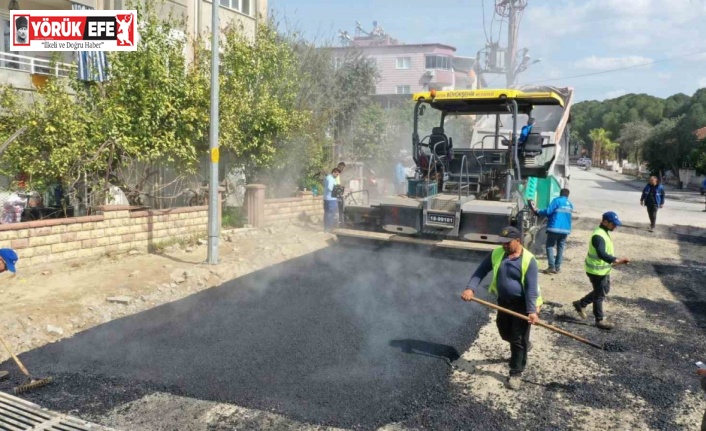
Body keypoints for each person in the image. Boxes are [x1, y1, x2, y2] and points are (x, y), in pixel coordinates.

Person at [461, 226, 542, 391]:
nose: (503, 246)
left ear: (518, 241)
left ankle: (516, 372)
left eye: (507, 243)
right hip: (504, 302)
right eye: (502, 243)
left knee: (518, 339)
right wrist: (470, 288)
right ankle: (524, 346)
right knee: (504, 331)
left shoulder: (529, 260)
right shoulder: (497, 253)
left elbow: (532, 288)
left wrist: (532, 310)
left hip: (523, 303)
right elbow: (481, 271)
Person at [572, 211, 630, 330]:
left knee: (604, 290)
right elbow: (602, 254)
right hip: (596, 271)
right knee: (599, 295)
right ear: (605, 222)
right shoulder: (598, 236)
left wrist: (616, 262)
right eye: (613, 224)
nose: (615, 226)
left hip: (602, 269)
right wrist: (617, 260)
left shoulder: (604, 232)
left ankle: (581, 303)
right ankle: (599, 320)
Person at [531, 189, 574, 274]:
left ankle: (551, 267)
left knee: (549, 246)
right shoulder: (570, 204)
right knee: (560, 248)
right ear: (568, 195)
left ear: (560, 194)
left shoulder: (557, 201)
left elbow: (548, 211)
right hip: (565, 230)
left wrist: (537, 211)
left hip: (555, 228)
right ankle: (557, 267)